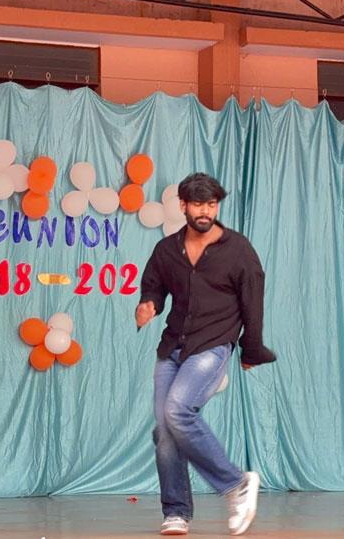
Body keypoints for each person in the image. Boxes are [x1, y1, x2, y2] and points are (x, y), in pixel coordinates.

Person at [136, 172, 276, 536]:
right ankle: (176, 512)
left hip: (213, 344)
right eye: (198, 204)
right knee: (165, 430)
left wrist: (251, 349)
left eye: (211, 205)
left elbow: (253, 303)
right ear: (183, 205)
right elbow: (153, 285)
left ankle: (236, 484)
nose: (205, 212)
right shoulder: (167, 250)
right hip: (173, 347)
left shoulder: (238, 249)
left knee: (177, 410)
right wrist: (149, 303)